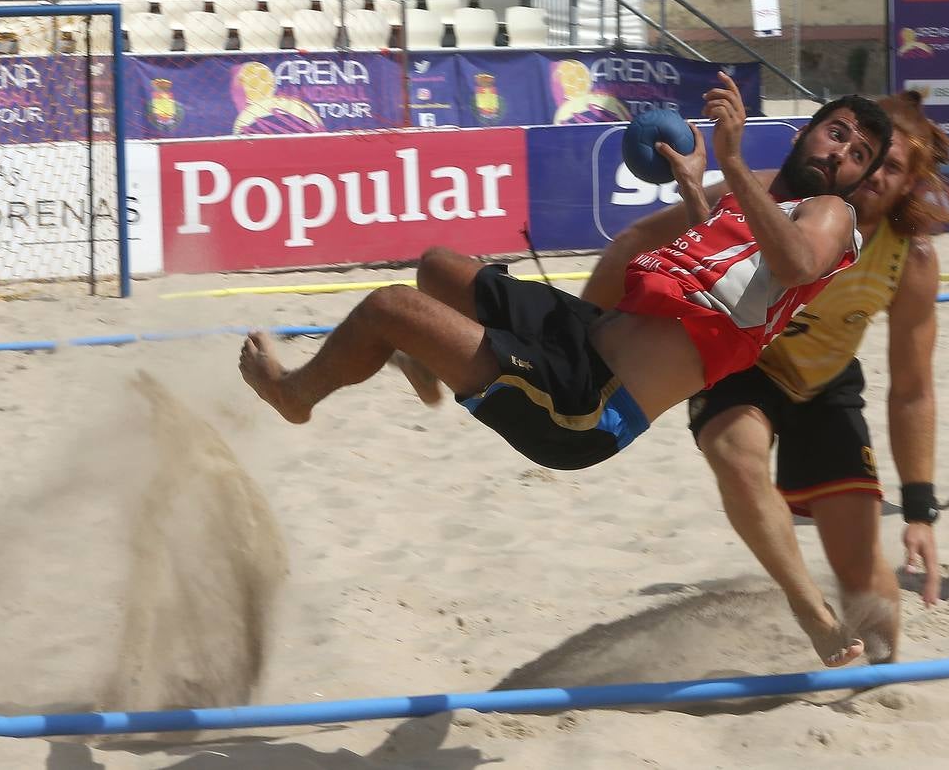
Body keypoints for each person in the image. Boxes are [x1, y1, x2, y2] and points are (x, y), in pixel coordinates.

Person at [239, 77, 892, 644]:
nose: (840, 155)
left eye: (857, 154)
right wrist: (699, 188)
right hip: (585, 334)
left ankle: (296, 395)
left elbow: (797, 262)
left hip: (587, 403)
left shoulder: (831, 215)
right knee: (439, 268)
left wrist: (729, 162)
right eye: (836, 134)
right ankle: (431, 361)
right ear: (808, 131)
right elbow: (732, 264)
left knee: (391, 308)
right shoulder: (761, 200)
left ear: (861, 180)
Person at [581, 91, 949, 667]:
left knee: (866, 577)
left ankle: (878, 683)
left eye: (890, 166)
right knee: (736, 452)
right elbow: (635, 242)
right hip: (741, 362)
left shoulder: (912, 259)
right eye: (867, 158)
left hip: (824, 383)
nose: (874, 173)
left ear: (904, 183)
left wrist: (922, 509)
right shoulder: (766, 193)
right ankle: (808, 608)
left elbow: (913, 390)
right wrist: (589, 331)